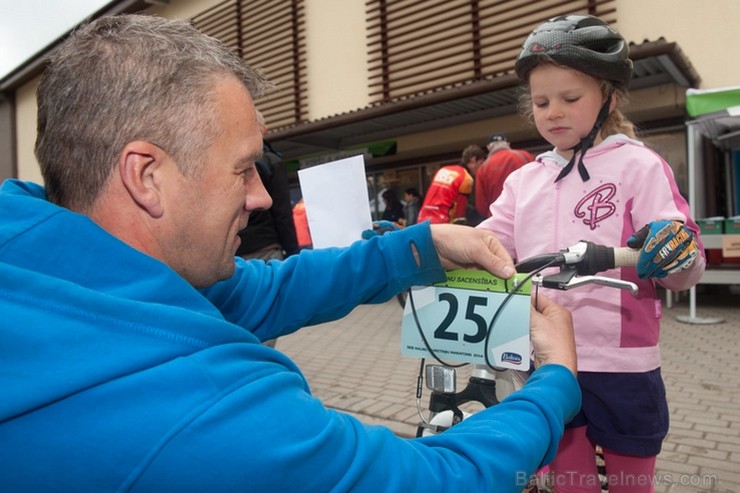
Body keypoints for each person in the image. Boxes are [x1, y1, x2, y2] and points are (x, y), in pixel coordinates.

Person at [0, 14, 581, 492]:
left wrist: (422, 245)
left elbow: (267, 289)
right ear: (145, 176)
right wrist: (553, 381)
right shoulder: (207, 404)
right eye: (242, 168)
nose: (260, 195)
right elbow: (432, 479)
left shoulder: (34, 238)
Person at [477, 14, 706, 493]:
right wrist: (431, 245)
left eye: (570, 98)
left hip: (621, 359)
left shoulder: (638, 165)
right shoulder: (525, 179)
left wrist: (678, 255)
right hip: (547, 353)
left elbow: (682, 262)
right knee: (567, 478)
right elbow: (489, 242)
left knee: (630, 479)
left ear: (609, 98)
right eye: (541, 102)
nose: (552, 111)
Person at [236, 109, 299, 261]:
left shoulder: (228, 162)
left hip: (235, 252)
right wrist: (293, 253)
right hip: (266, 248)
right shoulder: (271, 162)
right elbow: (282, 212)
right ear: (264, 130)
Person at [417, 144, 486, 224]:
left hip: (423, 219)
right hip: (442, 222)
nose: (481, 168)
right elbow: (460, 215)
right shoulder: (466, 178)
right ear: (473, 160)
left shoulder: (443, 170)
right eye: (480, 163)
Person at [475, 133, 534, 219]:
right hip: (528, 212)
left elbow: (482, 206)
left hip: (498, 219)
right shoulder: (525, 156)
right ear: (508, 143)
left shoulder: (483, 168)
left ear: (488, 147)